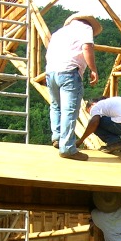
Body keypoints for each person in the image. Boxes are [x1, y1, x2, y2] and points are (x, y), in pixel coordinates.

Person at [45, 12, 103, 161]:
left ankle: (57, 137)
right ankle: (68, 148)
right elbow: (87, 48)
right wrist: (93, 69)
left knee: (56, 106)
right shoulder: (85, 28)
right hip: (70, 72)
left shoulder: (59, 33)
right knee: (69, 110)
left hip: (51, 72)